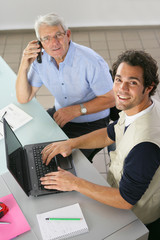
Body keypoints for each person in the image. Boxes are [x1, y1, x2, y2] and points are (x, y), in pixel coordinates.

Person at [40, 50, 160, 239]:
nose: (122, 89)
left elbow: (125, 200)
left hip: (136, 217)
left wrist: (74, 183)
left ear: (148, 87)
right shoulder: (142, 107)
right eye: (119, 79)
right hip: (122, 192)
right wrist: (71, 143)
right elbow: (110, 133)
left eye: (133, 82)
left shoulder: (145, 146)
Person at [15, 12, 115, 161]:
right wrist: (24, 64)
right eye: (46, 38)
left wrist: (77, 110)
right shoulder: (40, 60)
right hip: (61, 115)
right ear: (39, 43)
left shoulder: (90, 61)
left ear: (68, 35)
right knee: (27, 146)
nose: (54, 43)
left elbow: (112, 99)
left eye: (58, 35)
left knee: (62, 163)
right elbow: (24, 97)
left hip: (91, 122)